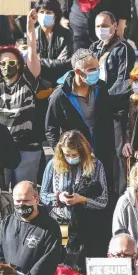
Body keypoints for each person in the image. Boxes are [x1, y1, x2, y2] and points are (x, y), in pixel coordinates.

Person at [0, 9, 42, 185]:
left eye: (11, 62)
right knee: (0, 194)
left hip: (27, 148)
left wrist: (30, 26)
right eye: (2, 63)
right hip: (0, 147)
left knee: (24, 191)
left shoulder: (28, 80)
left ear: (19, 63)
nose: (6, 66)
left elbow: (32, 51)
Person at [45, 49, 114, 192]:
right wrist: (62, 153)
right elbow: (50, 128)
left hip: (101, 152)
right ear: (77, 71)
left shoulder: (100, 87)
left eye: (97, 68)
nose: (96, 72)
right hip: (75, 155)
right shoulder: (59, 96)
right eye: (91, 69)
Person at [89, 11, 136, 194]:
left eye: (105, 25)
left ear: (115, 25)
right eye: (98, 26)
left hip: (117, 110)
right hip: (96, 110)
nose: (101, 29)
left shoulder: (124, 48)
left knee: (118, 156)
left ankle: (120, 194)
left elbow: (124, 81)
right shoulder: (94, 47)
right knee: (99, 153)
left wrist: (103, 98)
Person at [0, 181, 62, 275]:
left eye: (26, 201)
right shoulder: (6, 223)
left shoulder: (50, 226)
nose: (21, 204)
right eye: (18, 201)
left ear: (36, 199)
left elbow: (49, 261)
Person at [40, 130, 108, 224]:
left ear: (83, 152)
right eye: (66, 155)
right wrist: (58, 197)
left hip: (85, 222)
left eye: (74, 155)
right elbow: (43, 195)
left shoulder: (96, 165)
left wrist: (82, 200)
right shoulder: (53, 164)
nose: (70, 158)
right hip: (58, 220)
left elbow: (103, 201)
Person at [35, 0, 73, 85]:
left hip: (60, 82)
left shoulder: (66, 35)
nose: (44, 15)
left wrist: (39, 60)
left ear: (55, 15)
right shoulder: (32, 35)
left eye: (48, 12)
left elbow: (65, 63)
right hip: (37, 82)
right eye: (41, 12)